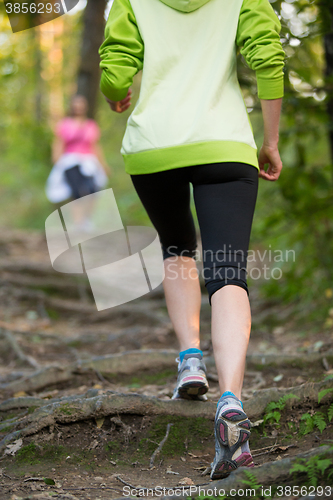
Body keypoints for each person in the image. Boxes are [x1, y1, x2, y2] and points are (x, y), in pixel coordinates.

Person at [99, 0, 284, 479]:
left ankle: (189, 361)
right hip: (224, 144)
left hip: (154, 147)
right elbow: (267, 56)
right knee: (228, 273)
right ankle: (230, 402)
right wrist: (270, 141)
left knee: (178, 247)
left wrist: (115, 92)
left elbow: (116, 72)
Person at [46, 95, 110, 229]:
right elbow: (59, 142)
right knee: (77, 191)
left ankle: (86, 220)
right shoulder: (65, 124)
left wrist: (103, 165)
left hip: (88, 162)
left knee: (92, 190)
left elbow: (95, 145)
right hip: (70, 161)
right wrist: (56, 160)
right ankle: (77, 223)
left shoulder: (91, 125)